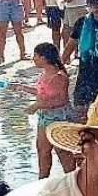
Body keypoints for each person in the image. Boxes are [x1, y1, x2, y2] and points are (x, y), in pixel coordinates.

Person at [24, 43, 75, 180]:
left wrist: (37, 105)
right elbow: (43, 92)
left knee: (63, 153)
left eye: (36, 55)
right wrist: (22, 88)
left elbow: (61, 101)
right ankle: (42, 181)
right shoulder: (45, 73)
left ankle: (72, 182)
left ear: (44, 57)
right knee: (42, 151)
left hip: (59, 119)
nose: (33, 58)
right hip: (44, 119)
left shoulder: (59, 76)